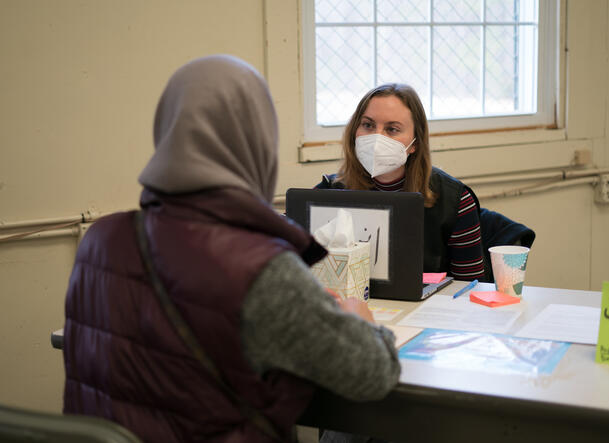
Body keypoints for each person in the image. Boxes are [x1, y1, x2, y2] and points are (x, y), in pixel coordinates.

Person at [63, 55, 400, 442]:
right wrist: (359, 317)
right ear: (257, 142)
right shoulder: (262, 269)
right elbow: (372, 374)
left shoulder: (100, 242)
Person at [316, 83, 486, 282]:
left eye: (392, 129)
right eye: (368, 125)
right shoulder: (327, 192)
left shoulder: (455, 200)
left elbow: (469, 288)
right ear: (355, 130)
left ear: (415, 143)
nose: (377, 138)